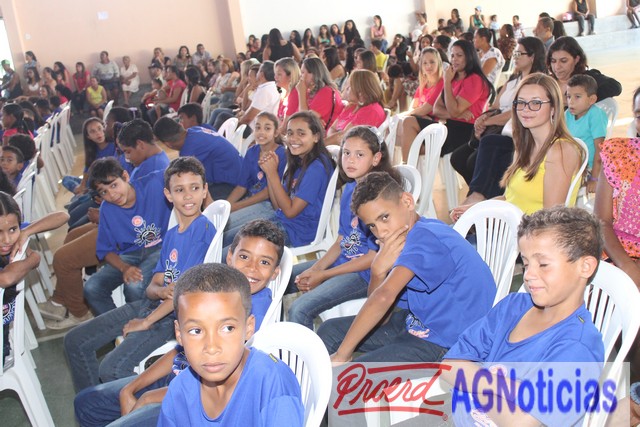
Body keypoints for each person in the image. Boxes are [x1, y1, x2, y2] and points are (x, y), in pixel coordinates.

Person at [72, 219, 288, 426]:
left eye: (264, 262)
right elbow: (180, 351)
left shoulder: (254, 314)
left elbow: (218, 387)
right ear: (230, 257)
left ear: (275, 272)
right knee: (86, 403)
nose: (252, 268)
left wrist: (148, 397)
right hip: (175, 378)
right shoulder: (221, 291)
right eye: (244, 256)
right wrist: (132, 387)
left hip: (191, 401)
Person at [64, 157, 215, 393]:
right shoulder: (172, 234)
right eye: (179, 190)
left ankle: (147, 405)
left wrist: (146, 321)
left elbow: (181, 293)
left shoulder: (202, 230)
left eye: (194, 188)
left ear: (205, 190)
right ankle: (93, 405)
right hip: (151, 306)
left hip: (171, 317)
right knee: (74, 341)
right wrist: (159, 291)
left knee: (111, 369)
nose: (188, 196)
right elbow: (152, 286)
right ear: (168, 195)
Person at [442, 206, 604, 426]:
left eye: (543, 264)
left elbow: (521, 423)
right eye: (526, 263)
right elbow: (449, 366)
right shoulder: (512, 307)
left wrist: (474, 381)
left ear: (585, 267)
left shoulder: (578, 347)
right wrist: (512, 390)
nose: (528, 275)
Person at [319, 171, 495, 363]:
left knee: (356, 374)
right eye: (372, 226)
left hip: (449, 341)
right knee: (329, 331)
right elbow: (383, 316)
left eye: (384, 217)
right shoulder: (403, 238)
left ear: (407, 202)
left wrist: (342, 354)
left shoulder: (426, 239)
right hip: (420, 321)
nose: (381, 232)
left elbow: (383, 296)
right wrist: (378, 272)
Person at [156, 262, 303, 425]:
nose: (212, 348)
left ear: (249, 328)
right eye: (196, 331)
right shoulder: (179, 391)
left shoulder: (272, 383)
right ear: (179, 334)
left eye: (227, 328)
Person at [288, 127, 403, 330]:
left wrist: (324, 275)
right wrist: (316, 268)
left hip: (366, 274)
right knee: (281, 275)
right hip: (344, 262)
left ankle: (305, 351)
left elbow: (373, 257)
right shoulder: (350, 188)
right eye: (347, 153)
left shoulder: (380, 198)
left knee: (300, 309)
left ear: (376, 158)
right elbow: (342, 239)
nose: (350, 160)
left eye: (360, 155)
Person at [451, 73, 583, 221]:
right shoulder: (524, 146)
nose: (526, 109)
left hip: (532, 232)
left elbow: (550, 219)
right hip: (511, 228)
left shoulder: (561, 150)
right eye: (520, 102)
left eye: (536, 103)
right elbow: (509, 198)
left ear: (553, 108)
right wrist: (476, 208)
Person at [223, 111, 334, 248]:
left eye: (301, 134)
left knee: (230, 251)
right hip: (281, 220)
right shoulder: (299, 161)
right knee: (222, 238)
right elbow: (278, 207)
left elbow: (290, 212)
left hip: (296, 232)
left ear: (316, 137)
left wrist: (272, 174)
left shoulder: (316, 168)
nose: (293, 139)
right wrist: (270, 174)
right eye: (290, 133)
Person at [459, 37, 548, 205]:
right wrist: (484, 118)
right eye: (515, 54)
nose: (515, 57)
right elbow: (496, 105)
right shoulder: (513, 80)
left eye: (519, 54)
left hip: (518, 133)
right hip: (500, 128)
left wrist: (489, 122)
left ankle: (480, 198)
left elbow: (516, 112)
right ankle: (485, 199)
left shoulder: (537, 83)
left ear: (532, 56)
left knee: (483, 153)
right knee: (460, 158)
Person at [83, 159, 171, 316]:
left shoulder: (153, 184)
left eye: (114, 185)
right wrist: (124, 268)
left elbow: (181, 170)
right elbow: (105, 250)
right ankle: (120, 325)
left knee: (134, 286)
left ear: (125, 176)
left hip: (162, 247)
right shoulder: (107, 209)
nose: (112, 195)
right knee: (92, 288)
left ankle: (144, 323)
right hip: (131, 254)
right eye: (104, 192)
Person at [594, 87, 640, 382]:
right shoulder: (620, 154)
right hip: (617, 253)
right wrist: (627, 265)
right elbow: (601, 221)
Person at [1, 193, 67, 365]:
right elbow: (6, 278)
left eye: (12, 229)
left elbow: (63, 216)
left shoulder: (15, 235)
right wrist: (33, 258)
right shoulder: (11, 240)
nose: (6, 240)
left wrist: (26, 231)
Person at [153, 117, 241, 200]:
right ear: (180, 125)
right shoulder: (195, 130)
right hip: (238, 176)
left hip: (235, 187)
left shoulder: (189, 150)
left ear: (167, 144)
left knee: (184, 198)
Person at [432, 40, 494, 159]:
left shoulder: (474, 79)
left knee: (414, 129)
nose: (454, 59)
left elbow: (454, 110)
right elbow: (436, 109)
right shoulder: (453, 78)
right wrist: (457, 115)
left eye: (459, 55)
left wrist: (447, 82)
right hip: (451, 126)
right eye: (452, 55)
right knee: (410, 124)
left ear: (469, 57)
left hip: (465, 131)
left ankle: (406, 166)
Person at [226, 112, 286, 217]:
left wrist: (237, 206)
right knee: (222, 215)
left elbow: (268, 193)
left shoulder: (281, 154)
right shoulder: (251, 151)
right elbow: (241, 187)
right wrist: (227, 206)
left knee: (228, 222)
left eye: (267, 128)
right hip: (250, 200)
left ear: (276, 132)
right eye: (258, 128)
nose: (261, 132)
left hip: (268, 205)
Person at [399, 47, 445, 162]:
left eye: (432, 62)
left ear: (439, 63)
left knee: (406, 121)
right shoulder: (423, 84)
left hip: (438, 126)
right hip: (422, 123)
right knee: (396, 125)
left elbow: (426, 108)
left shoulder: (442, 83)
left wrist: (409, 114)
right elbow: (414, 107)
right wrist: (415, 114)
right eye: (425, 63)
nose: (428, 66)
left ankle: (405, 165)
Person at [564, 74, 607, 194]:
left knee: (558, 182)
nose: (571, 101)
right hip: (570, 163)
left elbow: (600, 149)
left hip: (587, 168)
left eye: (577, 97)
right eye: (568, 96)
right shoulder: (567, 114)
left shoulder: (596, 115)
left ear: (591, 100)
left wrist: (594, 178)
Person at [547, 36, 622, 101]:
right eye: (553, 61)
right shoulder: (547, 82)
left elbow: (615, 86)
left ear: (576, 59)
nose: (557, 66)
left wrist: (582, 99)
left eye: (563, 61)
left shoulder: (587, 78)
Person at [325, 70, 386, 146]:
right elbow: (332, 128)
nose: (346, 88)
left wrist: (320, 146)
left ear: (360, 92)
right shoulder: (352, 106)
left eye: (349, 86)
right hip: (335, 147)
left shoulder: (371, 111)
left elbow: (344, 137)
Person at [62, 118, 115, 196]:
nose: (98, 133)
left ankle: (84, 195)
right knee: (66, 179)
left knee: (84, 197)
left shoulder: (114, 146)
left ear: (104, 128)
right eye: (92, 131)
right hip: (91, 183)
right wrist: (82, 185)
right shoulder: (92, 150)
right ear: (88, 136)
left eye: (99, 128)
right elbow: (87, 169)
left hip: (104, 184)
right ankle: (82, 193)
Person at [295, 57, 343, 131]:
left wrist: (301, 92)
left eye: (303, 72)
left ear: (314, 74)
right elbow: (297, 117)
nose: (301, 76)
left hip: (326, 136)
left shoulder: (327, 91)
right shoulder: (311, 92)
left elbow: (304, 120)